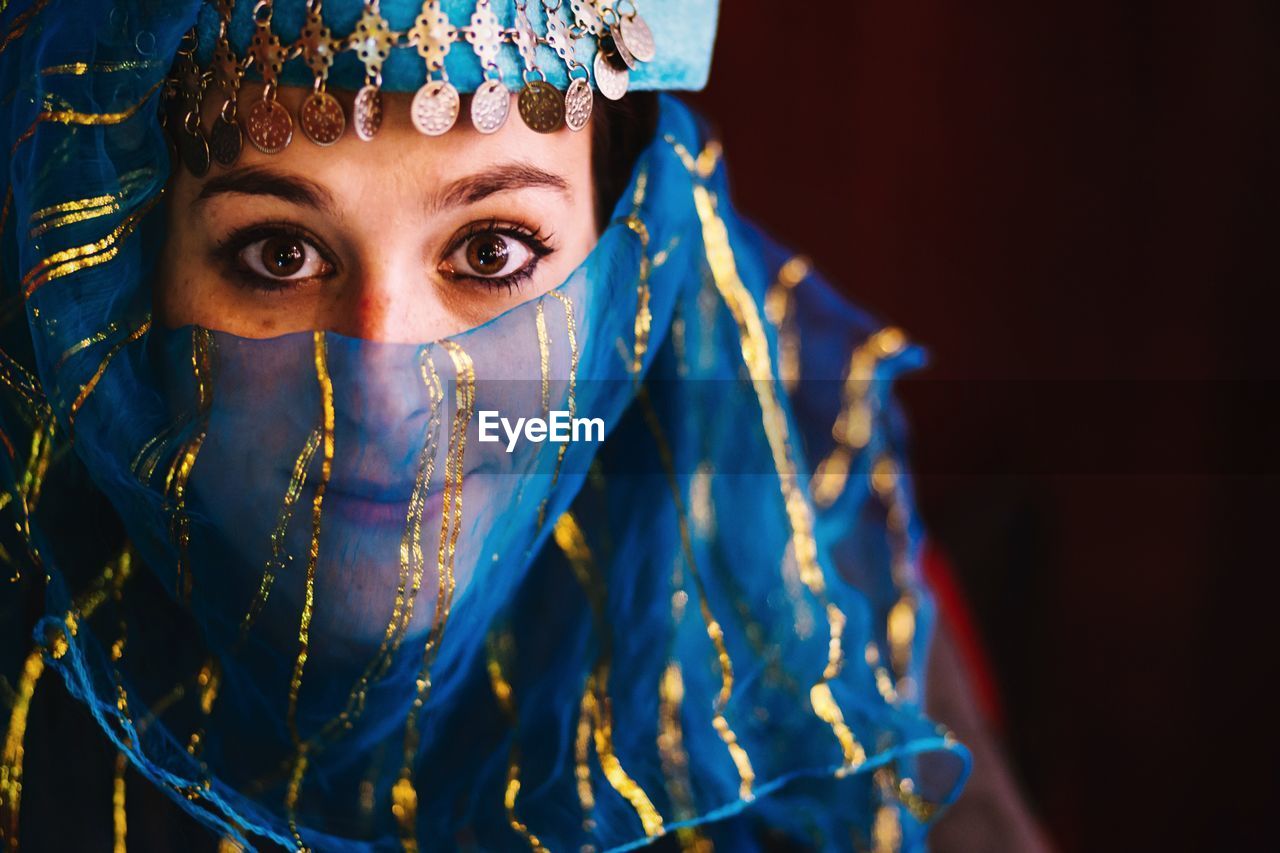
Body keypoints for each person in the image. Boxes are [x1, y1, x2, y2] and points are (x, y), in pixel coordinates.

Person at [0, 1, 1044, 849]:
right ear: (128, 290)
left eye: (492, 253)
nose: (382, 393)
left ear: (626, 281)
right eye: (278, 254)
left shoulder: (791, 576)